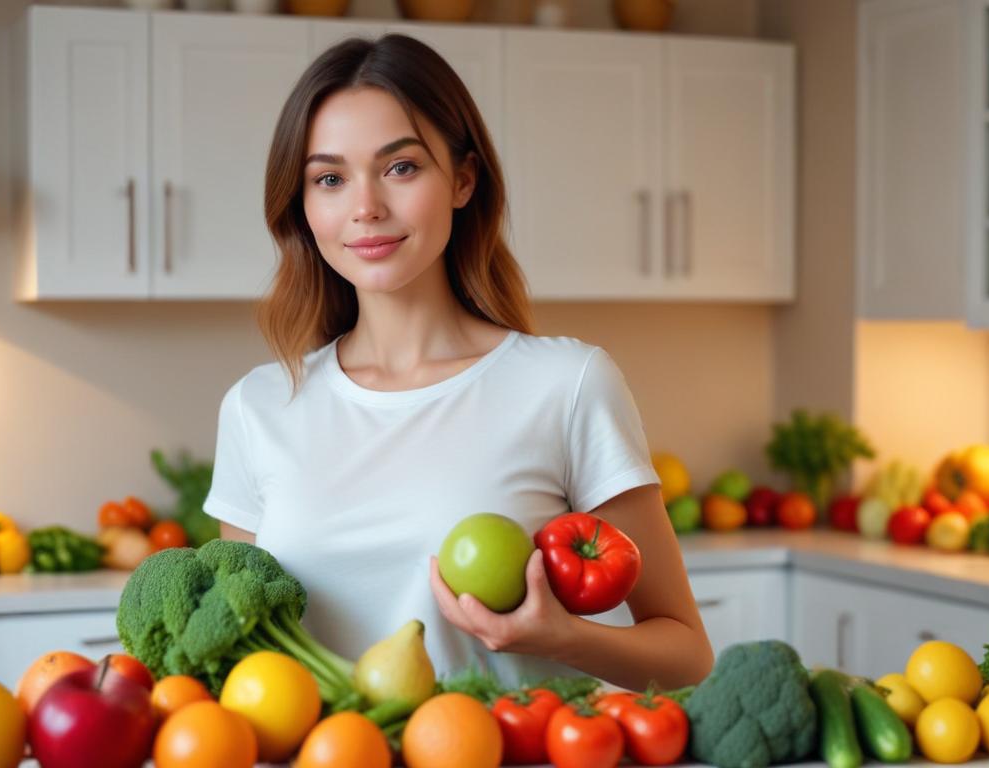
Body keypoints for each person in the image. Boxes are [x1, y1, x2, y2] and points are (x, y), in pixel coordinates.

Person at [203, 33, 712, 692]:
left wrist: (564, 637)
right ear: (302, 205)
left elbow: (687, 652)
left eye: (401, 167)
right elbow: (246, 655)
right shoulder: (259, 407)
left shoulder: (566, 385)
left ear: (463, 180)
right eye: (329, 178)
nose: (365, 208)